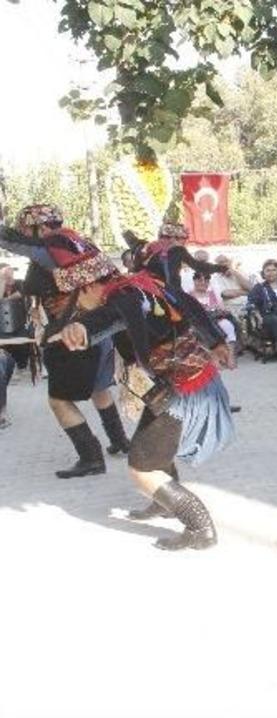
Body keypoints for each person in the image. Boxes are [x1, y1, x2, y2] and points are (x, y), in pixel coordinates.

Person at [54, 255, 235, 550]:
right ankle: (163, 505)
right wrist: (216, 340)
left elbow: (110, 317)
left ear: (88, 287)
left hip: (180, 389)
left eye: (74, 297)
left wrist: (84, 329)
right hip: (183, 382)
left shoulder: (120, 297)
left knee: (143, 467)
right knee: (154, 450)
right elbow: (188, 304)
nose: (74, 306)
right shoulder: (142, 283)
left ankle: (200, 528)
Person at [0, 205, 131, 477]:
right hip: (100, 332)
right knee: (99, 389)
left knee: (59, 401)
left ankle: (91, 457)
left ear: (40, 227)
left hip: (71, 335)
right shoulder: (80, 243)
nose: (26, 234)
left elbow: (10, 239)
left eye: (28, 229)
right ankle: (120, 441)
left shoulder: (50, 246)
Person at [131, 222, 227, 296]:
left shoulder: (149, 247)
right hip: (164, 291)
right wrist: (223, 268)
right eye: (183, 238)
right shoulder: (177, 250)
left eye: (185, 237)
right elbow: (200, 267)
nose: (184, 241)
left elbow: (136, 268)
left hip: (142, 286)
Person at [190, 271, 238, 351]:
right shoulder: (189, 295)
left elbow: (222, 308)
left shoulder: (213, 294)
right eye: (200, 280)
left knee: (227, 325)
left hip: (216, 318)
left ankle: (230, 354)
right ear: (194, 281)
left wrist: (218, 309)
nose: (203, 283)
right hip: (199, 322)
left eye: (206, 281)